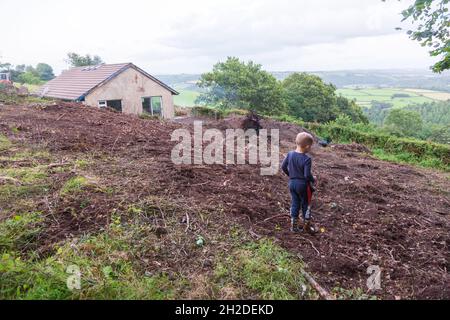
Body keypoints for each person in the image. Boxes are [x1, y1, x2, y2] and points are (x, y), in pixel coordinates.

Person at [281, 132, 316, 233]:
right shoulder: (307, 159)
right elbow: (306, 175)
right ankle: (307, 227)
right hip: (303, 185)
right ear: (307, 146)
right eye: (310, 147)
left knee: (295, 203)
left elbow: (283, 167)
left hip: (292, 184)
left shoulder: (290, 154)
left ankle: (294, 227)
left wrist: (291, 176)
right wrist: (313, 179)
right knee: (306, 204)